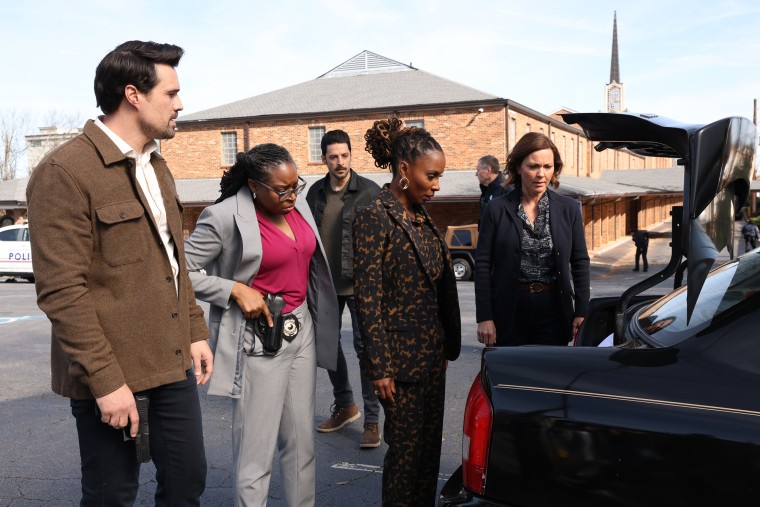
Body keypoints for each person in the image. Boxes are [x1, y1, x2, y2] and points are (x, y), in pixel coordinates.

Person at [26, 41, 213, 505]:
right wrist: (107, 382)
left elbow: (173, 261)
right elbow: (61, 292)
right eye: (170, 93)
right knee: (113, 496)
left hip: (171, 363)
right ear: (134, 94)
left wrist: (194, 329)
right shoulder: (65, 172)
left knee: (189, 483)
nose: (180, 103)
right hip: (110, 375)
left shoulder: (159, 167)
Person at [184, 143, 339, 506]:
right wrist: (233, 289)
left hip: (302, 331)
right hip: (259, 339)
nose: (292, 195)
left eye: (296, 185)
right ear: (254, 186)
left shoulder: (297, 204)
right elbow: (178, 274)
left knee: (301, 445)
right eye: (282, 189)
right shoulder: (223, 217)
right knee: (256, 455)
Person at [355, 117, 461, 506]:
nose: (437, 185)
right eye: (431, 176)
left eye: (440, 177)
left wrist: (446, 346)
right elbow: (368, 297)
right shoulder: (374, 215)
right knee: (405, 457)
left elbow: (437, 289)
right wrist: (378, 366)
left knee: (429, 456)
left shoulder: (422, 218)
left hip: (432, 359)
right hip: (397, 365)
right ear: (404, 170)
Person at [305, 130, 383, 448]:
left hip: (361, 285)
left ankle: (373, 421)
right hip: (326, 285)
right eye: (334, 156)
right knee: (327, 346)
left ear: (352, 155)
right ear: (324, 158)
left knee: (367, 351)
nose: (340, 162)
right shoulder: (314, 194)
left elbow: (384, 239)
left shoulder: (369, 192)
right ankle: (345, 404)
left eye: (345, 155)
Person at [475, 132, 590, 347]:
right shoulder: (496, 209)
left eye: (548, 166)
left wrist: (582, 310)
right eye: (533, 166)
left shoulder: (569, 209)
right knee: (510, 376)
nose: (541, 174)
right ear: (518, 167)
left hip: (554, 310)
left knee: (549, 376)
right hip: (509, 310)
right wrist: (484, 316)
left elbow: (580, 262)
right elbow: (482, 265)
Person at [476, 154, 508, 225]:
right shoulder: (485, 192)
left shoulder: (507, 191)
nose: (476, 174)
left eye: (478, 170)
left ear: (488, 170)